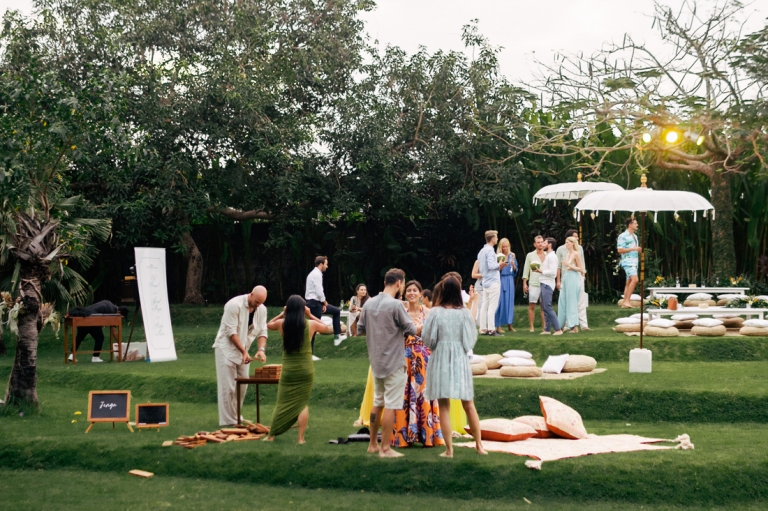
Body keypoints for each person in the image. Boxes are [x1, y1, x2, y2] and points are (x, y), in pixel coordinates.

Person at [423, 276, 486, 457]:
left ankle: (449, 450)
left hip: (440, 357)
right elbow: (470, 339)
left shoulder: (435, 312)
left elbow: (428, 338)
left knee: (444, 406)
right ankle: (479, 446)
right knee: (469, 404)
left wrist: (438, 345)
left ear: (442, 291)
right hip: (460, 357)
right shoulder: (464, 313)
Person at [357, 268, 417, 458]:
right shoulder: (396, 305)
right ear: (399, 283)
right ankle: (385, 448)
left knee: (378, 402)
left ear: (385, 282)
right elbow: (412, 329)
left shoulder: (368, 304)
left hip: (376, 362)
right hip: (394, 363)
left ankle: (372, 444)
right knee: (391, 404)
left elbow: (360, 329)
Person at [264, 295, 327, 443]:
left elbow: (268, 324)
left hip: (289, 370)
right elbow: (325, 327)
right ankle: (300, 439)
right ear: (302, 309)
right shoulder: (311, 324)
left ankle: (271, 436)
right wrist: (310, 315)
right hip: (306, 370)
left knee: (281, 402)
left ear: (289, 309)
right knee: (302, 403)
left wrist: (282, 313)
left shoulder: (281, 324)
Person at [393, 280, 444, 448]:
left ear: (421, 294)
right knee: (404, 394)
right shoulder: (401, 312)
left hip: (423, 357)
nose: (412, 293)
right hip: (404, 357)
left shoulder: (429, 313)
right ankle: (403, 437)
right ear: (405, 293)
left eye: (415, 290)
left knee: (423, 394)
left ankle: (427, 436)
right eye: (409, 290)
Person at [212, 286, 268, 426]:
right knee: (228, 386)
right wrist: (243, 351)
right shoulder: (233, 305)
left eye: (261, 302)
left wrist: (261, 350)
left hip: (244, 350)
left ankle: (236, 416)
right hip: (226, 349)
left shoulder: (262, 309)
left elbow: (263, 331)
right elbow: (231, 332)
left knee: (242, 385)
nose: (258, 305)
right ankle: (228, 421)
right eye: (257, 301)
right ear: (251, 295)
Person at [305, 255, 345, 350]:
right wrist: (324, 302)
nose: (327, 266)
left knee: (336, 311)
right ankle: (308, 353)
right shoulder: (316, 274)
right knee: (313, 329)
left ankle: (337, 337)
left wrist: (322, 303)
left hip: (317, 303)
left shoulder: (315, 274)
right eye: (326, 264)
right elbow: (319, 291)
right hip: (314, 304)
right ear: (321, 264)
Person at [556, 229, 589, 330]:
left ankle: (574, 326)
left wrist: (570, 266)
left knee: (572, 301)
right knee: (562, 300)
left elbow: (581, 268)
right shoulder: (566, 253)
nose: (566, 244)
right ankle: (560, 325)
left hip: (574, 277)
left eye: (568, 242)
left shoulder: (576, 253)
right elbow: (560, 266)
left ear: (572, 243)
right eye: (565, 242)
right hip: (566, 277)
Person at [477, 230, 507, 336]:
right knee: (492, 306)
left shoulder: (481, 251)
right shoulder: (490, 251)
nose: (497, 239)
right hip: (493, 281)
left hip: (485, 281)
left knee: (485, 305)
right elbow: (491, 265)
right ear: (493, 239)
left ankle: (483, 328)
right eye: (496, 237)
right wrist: (499, 264)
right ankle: (491, 329)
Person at [534, 238, 563, 335]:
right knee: (544, 307)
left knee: (547, 307)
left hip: (547, 284)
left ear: (549, 245)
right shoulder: (548, 256)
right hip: (544, 283)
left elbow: (553, 273)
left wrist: (541, 271)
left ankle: (558, 329)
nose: (542, 244)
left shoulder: (552, 257)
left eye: (544, 243)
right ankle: (547, 329)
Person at [521, 236, 547, 332]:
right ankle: (531, 327)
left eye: (541, 242)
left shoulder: (547, 255)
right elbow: (526, 270)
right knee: (532, 305)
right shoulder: (530, 255)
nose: (540, 244)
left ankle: (544, 327)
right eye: (538, 242)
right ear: (534, 244)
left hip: (545, 283)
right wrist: (524, 283)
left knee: (544, 306)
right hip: (533, 283)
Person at [494, 238, 518, 333]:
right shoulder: (498, 256)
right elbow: (495, 270)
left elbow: (515, 270)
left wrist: (513, 265)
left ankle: (510, 324)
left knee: (509, 302)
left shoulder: (512, 256)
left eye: (506, 246)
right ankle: (498, 326)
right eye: (503, 247)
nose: (505, 248)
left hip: (510, 279)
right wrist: (501, 266)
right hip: (500, 279)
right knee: (500, 303)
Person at [618, 217, 642, 309]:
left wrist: (637, 250)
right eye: (635, 223)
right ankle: (627, 301)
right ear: (630, 224)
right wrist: (633, 248)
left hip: (634, 261)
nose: (637, 225)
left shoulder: (635, 236)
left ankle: (625, 302)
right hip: (628, 262)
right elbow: (620, 250)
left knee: (628, 282)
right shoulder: (623, 236)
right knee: (635, 280)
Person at [470, 260, 483, 325]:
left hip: (490, 286)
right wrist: (485, 275)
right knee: (479, 304)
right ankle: (478, 323)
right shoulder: (478, 262)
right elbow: (473, 275)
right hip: (480, 286)